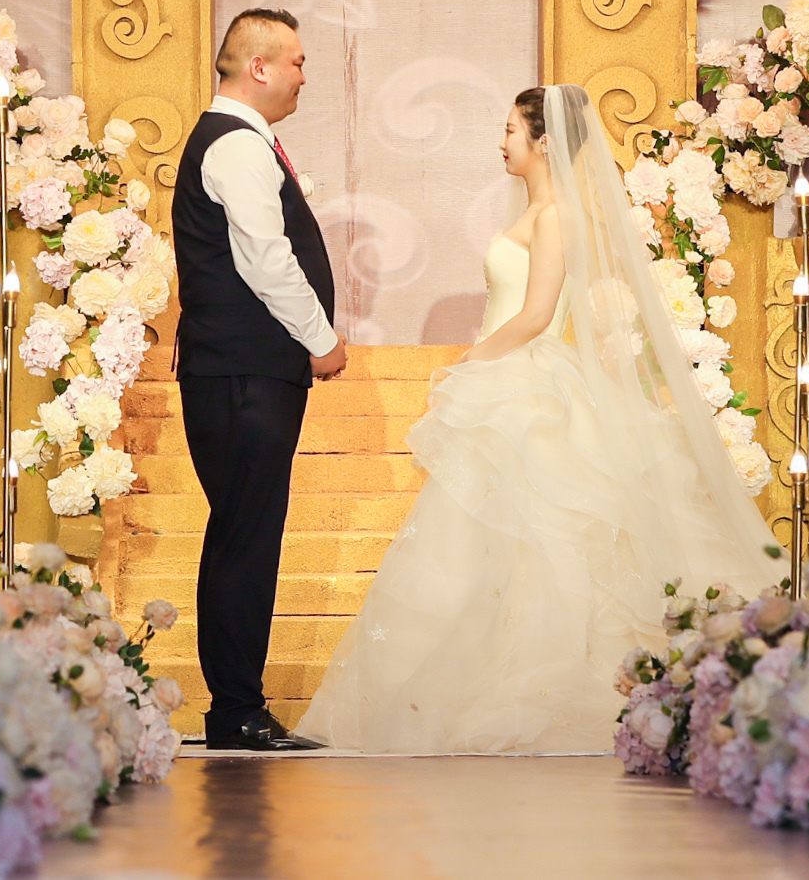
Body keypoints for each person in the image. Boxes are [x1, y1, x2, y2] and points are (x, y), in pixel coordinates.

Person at [296, 86, 776, 754]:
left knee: (539, 538)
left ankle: (541, 692)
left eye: (509, 130)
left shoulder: (554, 216)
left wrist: (470, 359)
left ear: (542, 141)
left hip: (527, 377)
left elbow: (536, 313)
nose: (501, 143)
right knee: (494, 543)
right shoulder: (537, 210)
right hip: (512, 377)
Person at [173, 7, 347, 752]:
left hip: (238, 368)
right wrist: (321, 340)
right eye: (298, 61)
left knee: (241, 533)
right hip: (244, 369)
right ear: (259, 66)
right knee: (246, 537)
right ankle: (237, 709)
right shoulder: (236, 144)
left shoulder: (240, 140)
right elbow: (264, 258)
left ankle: (235, 706)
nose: (304, 76)